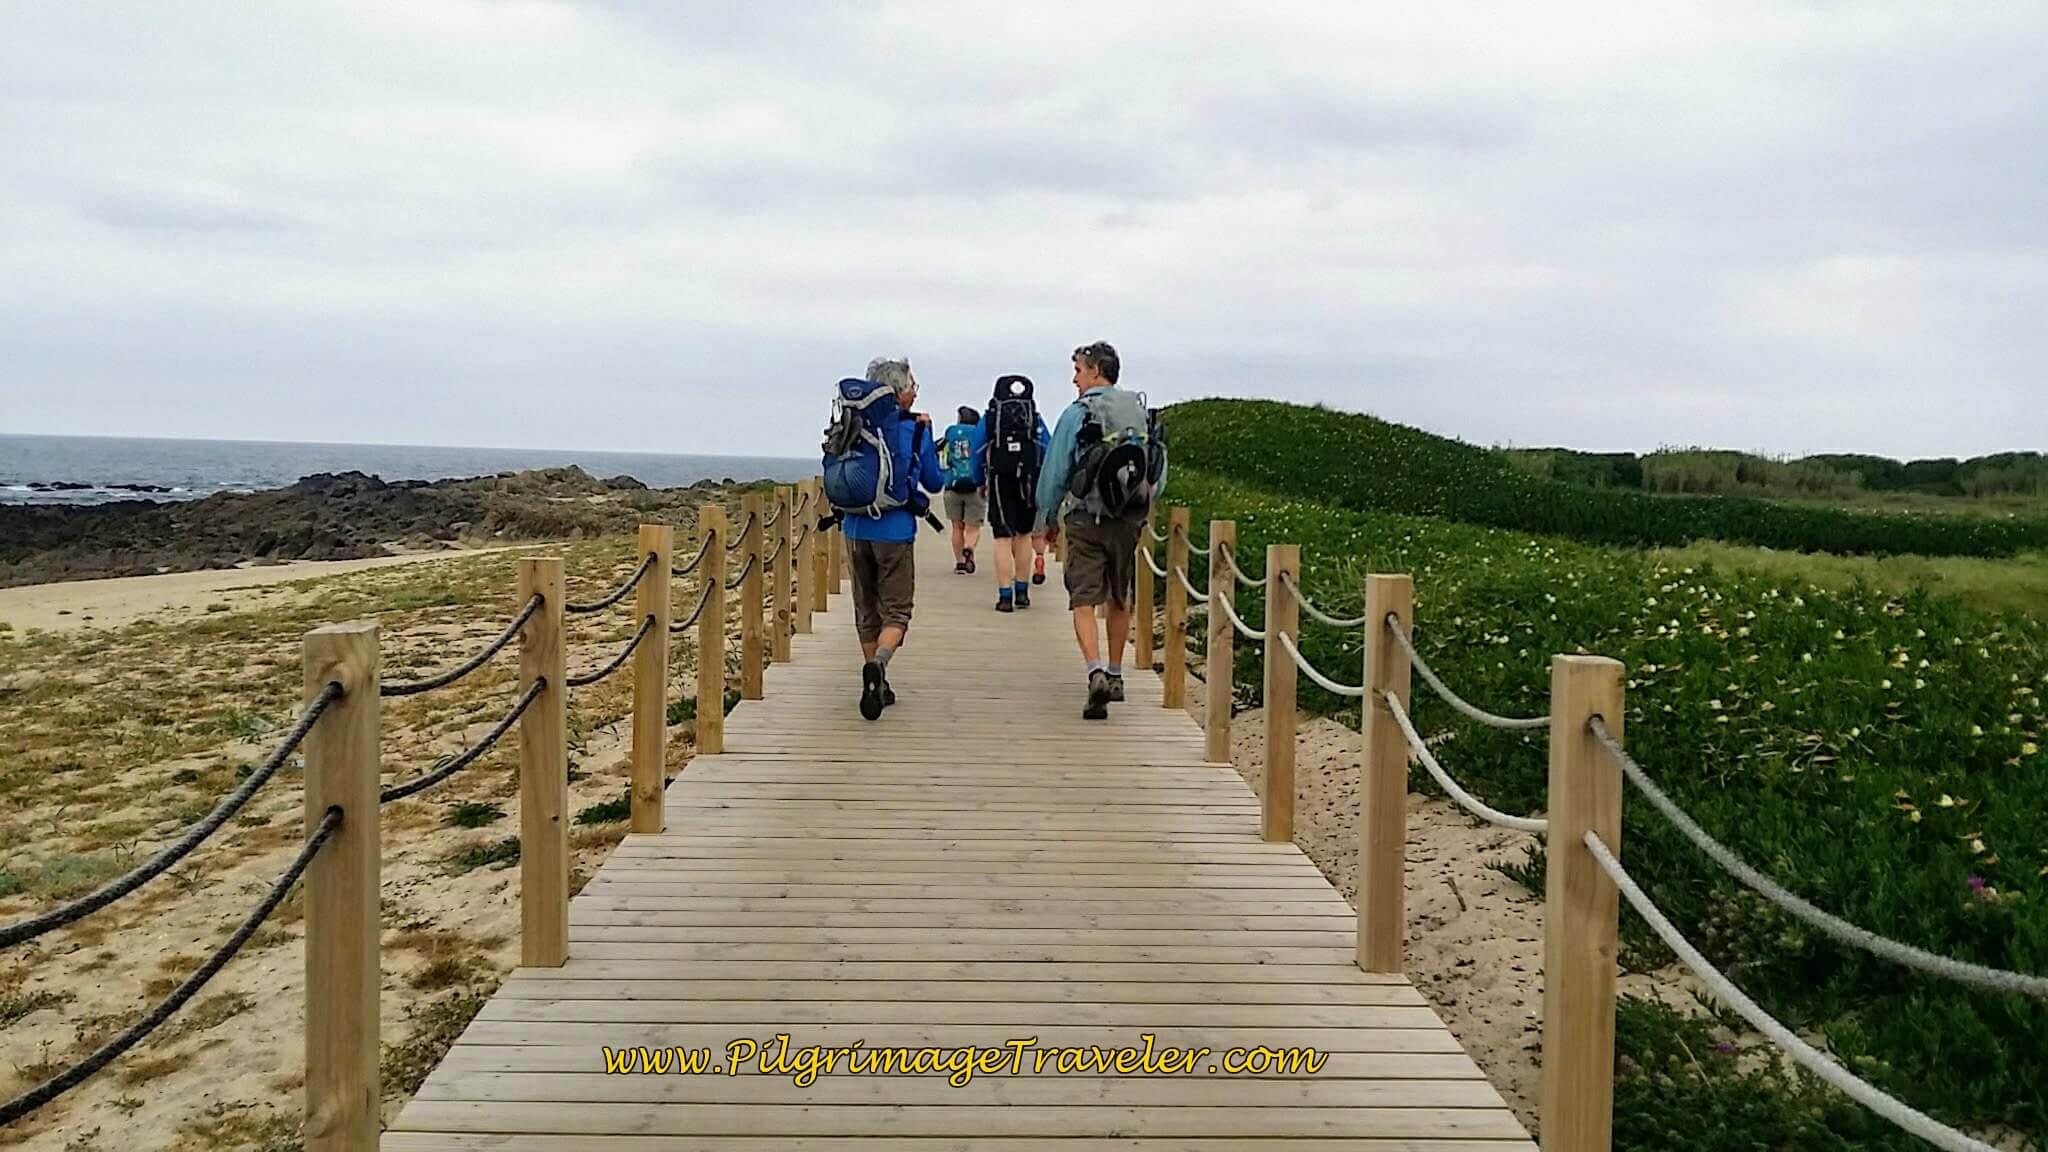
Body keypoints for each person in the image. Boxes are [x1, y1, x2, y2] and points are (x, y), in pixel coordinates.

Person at [1036, 341, 1166, 719]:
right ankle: (1115, 672)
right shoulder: (1137, 412)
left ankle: (1094, 670)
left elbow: (1055, 471)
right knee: (1119, 596)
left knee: (1083, 599)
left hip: (1084, 518)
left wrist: (1045, 521)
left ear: (1095, 372)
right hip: (1128, 519)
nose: (1074, 378)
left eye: (1078, 370)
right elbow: (1158, 471)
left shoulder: (1078, 413)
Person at [824, 357, 944, 721]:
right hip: (895, 531)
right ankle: (878, 664)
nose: (915, 392)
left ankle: (876, 680)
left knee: (866, 608)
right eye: (913, 386)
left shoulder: (852, 423)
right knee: (897, 611)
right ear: (900, 392)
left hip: (855, 528)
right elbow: (934, 483)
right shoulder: (913, 429)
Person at [979, 374, 1051, 612]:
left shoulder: (991, 416)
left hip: (1000, 477)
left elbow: (977, 451)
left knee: (1002, 537)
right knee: (1023, 536)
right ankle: (1022, 592)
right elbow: (1047, 448)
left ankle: (1004, 596)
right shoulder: (1034, 415)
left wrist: (981, 481)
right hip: (1028, 479)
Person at [939, 405, 986, 574]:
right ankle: (969, 548)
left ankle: (959, 562)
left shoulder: (951, 432)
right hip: (975, 486)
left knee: (956, 527)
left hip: (953, 485)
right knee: (973, 527)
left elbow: (938, 449)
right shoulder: (980, 433)